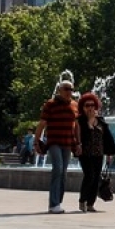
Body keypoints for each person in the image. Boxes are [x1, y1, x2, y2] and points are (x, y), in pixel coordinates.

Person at [33, 80, 79, 213]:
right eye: (66, 89)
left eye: (71, 89)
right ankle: (53, 204)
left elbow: (76, 126)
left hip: (67, 143)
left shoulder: (74, 105)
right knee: (57, 169)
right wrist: (36, 141)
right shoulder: (50, 104)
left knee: (63, 173)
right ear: (59, 90)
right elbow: (42, 124)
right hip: (54, 142)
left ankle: (57, 202)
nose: (69, 92)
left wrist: (78, 143)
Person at [75, 92, 115, 213]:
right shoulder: (80, 121)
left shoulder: (101, 121)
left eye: (92, 105)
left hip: (98, 153)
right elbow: (82, 135)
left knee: (96, 178)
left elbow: (107, 138)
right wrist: (89, 120)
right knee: (89, 175)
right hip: (85, 153)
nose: (90, 108)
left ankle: (90, 203)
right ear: (82, 107)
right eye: (87, 105)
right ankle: (82, 200)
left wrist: (109, 153)